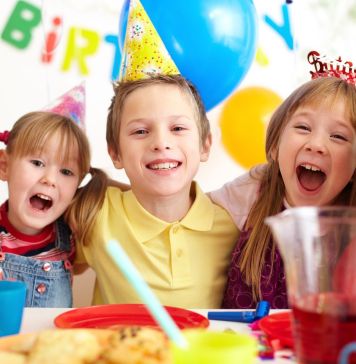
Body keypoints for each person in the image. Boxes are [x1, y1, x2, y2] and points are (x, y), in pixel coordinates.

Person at [67, 74, 238, 308]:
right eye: (140, 131)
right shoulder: (94, 214)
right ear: (115, 153)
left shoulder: (232, 227)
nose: (160, 142)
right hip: (117, 344)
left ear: (204, 145)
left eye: (177, 128)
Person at [210, 76, 356, 309]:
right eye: (303, 127)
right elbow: (189, 208)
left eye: (338, 136)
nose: (316, 144)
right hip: (246, 341)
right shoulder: (256, 189)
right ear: (276, 145)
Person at [0, 111, 107, 307]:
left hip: (53, 337)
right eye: (37, 163)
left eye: (66, 172)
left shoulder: (73, 235)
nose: (49, 179)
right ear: (4, 165)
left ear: (77, 185)